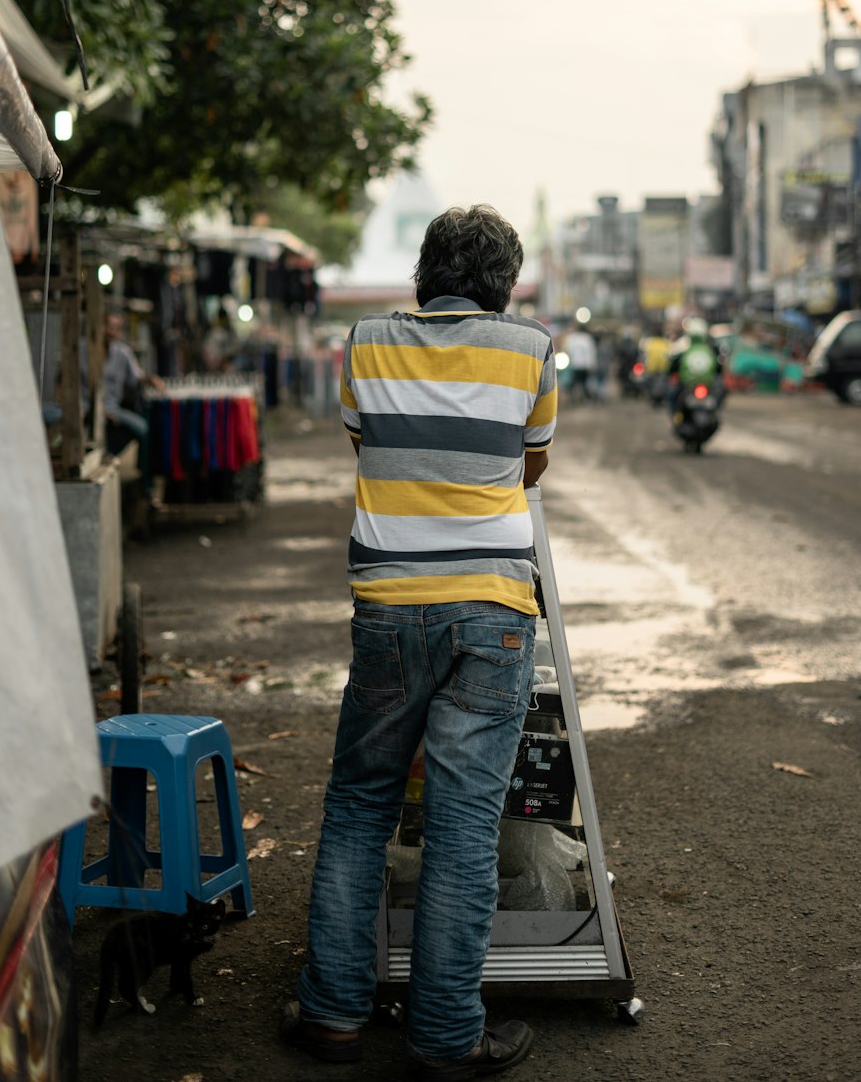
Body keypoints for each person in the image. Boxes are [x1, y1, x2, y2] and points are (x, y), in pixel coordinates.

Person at [284, 204, 557, 1079]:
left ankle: (331, 1015)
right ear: (503, 285)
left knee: (360, 802)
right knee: (464, 826)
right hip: (491, 610)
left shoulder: (364, 342)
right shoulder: (531, 350)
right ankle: (445, 1037)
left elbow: (369, 446)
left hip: (390, 608)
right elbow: (531, 464)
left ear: (423, 274)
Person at [102, 313, 165, 487]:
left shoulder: (122, 353)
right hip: (87, 407)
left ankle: (145, 481)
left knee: (142, 428)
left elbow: (136, 376)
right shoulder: (84, 350)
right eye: (108, 326)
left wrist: (151, 379)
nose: (110, 332)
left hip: (113, 407)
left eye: (116, 328)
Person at [564, 322, 597, 401]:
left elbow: (590, 352)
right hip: (575, 365)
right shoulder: (572, 338)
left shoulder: (585, 338)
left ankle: (583, 397)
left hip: (581, 365)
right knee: (575, 383)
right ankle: (577, 398)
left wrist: (591, 364)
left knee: (582, 383)